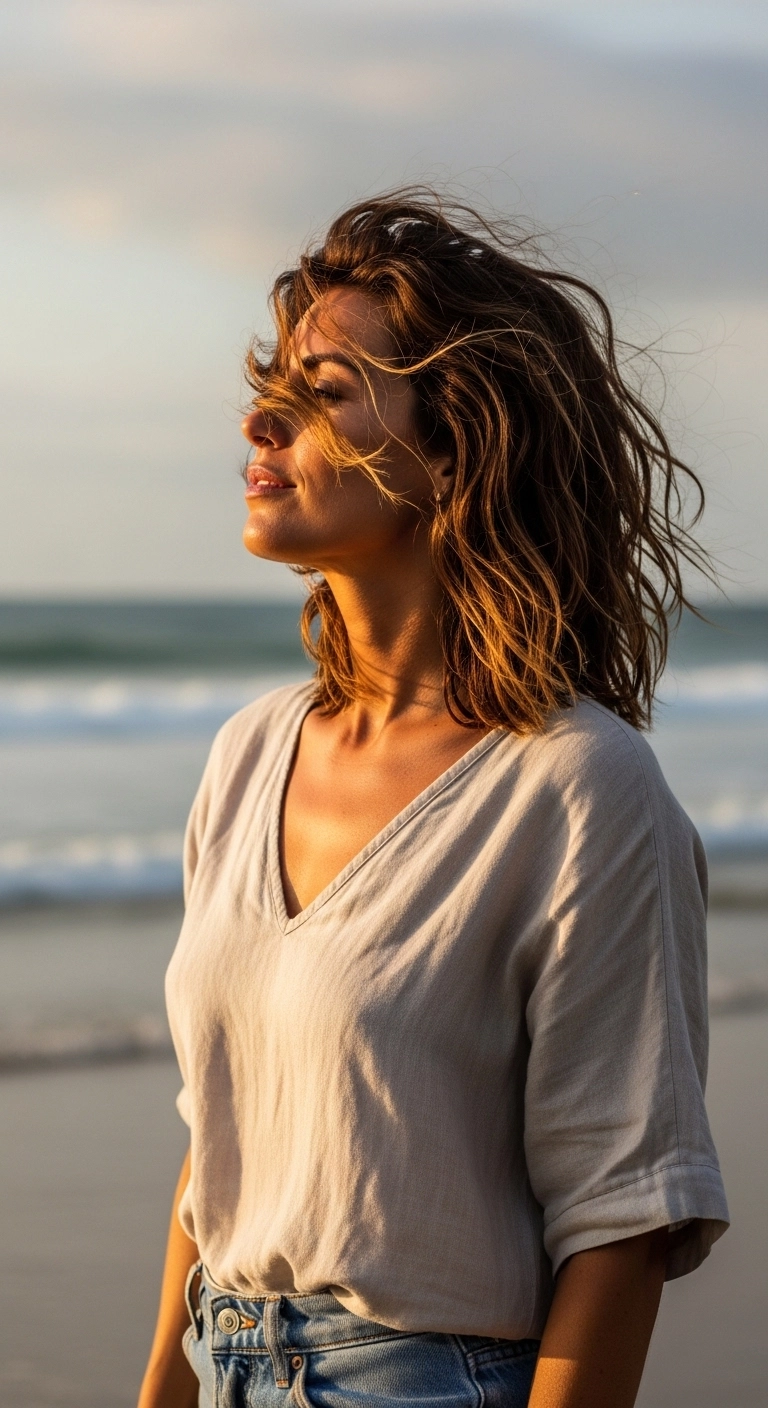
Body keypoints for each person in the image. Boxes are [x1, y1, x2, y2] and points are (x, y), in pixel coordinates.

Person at [138, 191, 729, 1408]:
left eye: (325, 391)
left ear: (455, 445)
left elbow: (622, 1221)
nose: (260, 419)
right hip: (222, 1355)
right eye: (270, 384)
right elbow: (218, 1149)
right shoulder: (249, 753)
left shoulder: (578, 786)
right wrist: (161, 1386)